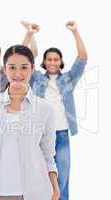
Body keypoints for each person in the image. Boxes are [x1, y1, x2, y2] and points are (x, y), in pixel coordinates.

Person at [0, 45, 60, 200]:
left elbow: (48, 155)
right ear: (4, 69)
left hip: (35, 193)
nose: (18, 74)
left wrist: (55, 190)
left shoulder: (46, 110)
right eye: (12, 67)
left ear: (32, 69)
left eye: (24, 67)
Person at [24, 21, 88, 200]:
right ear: (44, 62)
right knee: (37, 180)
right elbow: (21, 59)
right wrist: (29, 35)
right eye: (49, 59)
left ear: (60, 62)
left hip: (61, 136)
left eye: (56, 59)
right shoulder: (36, 78)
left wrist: (75, 31)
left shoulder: (68, 79)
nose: (52, 62)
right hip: (39, 135)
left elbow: (82, 58)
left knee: (62, 181)